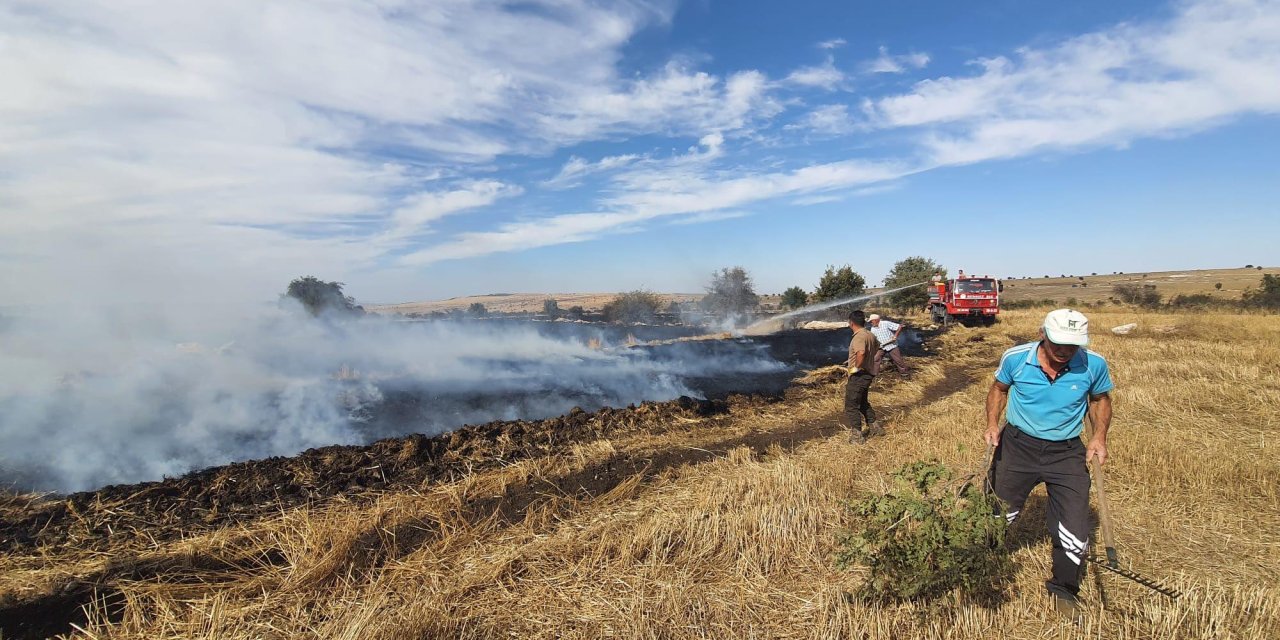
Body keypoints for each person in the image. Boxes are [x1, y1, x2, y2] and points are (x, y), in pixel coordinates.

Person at [984, 308, 1114, 619]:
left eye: (1073, 346)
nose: (1065, 352)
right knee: (998, 514)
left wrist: (1099, 437)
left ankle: (1064, 588)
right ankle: (983, 563)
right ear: (1043, 334)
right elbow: (999, 389)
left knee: (1074, 526)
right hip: (1017, 446)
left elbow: (1100, 399)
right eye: (1059, 345)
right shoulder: (1016, 358)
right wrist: (992, 422)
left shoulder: (1093, 364)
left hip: (1066, 452)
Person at [844, 309, 883, 443]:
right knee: (862, 403)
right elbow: (877, 347)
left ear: (851, 323)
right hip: (868, 373)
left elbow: (861, 353)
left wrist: (855, 368)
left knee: (851, 405)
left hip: (859, 376)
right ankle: (875, 428)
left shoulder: (859, 336)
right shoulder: (869, 334)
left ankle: (857, 436)